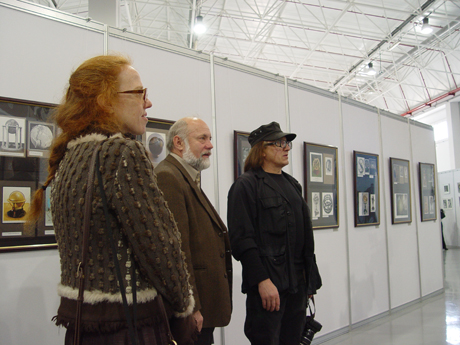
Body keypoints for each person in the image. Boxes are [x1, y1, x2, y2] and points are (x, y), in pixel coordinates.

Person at [26, 55, 196, 344]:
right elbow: (161, 249)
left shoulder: (69, 157)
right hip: (128, 326)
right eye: (140, 93)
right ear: (105, 100)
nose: (148, 103)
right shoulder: (121, 153)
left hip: (81, 325)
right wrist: (184, 308)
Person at [227, 121, 322, 345]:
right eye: (279, 143)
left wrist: (309, 282)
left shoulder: (293, 184)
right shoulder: (246, 186)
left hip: (297, 286)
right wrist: (262, 280)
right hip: (269, 289)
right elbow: (241, 240)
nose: (287, 147)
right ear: (262, 149)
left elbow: (303, 240)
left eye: (287, 143)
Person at [155, 117, 232, 345]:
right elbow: (177, 251)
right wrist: (191, 307)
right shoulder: (168, 176)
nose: (210, 145)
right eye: (202, 139)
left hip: (205, 304)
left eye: (210, 139)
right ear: (178, 143)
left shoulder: (185, 175)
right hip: (193, 309)